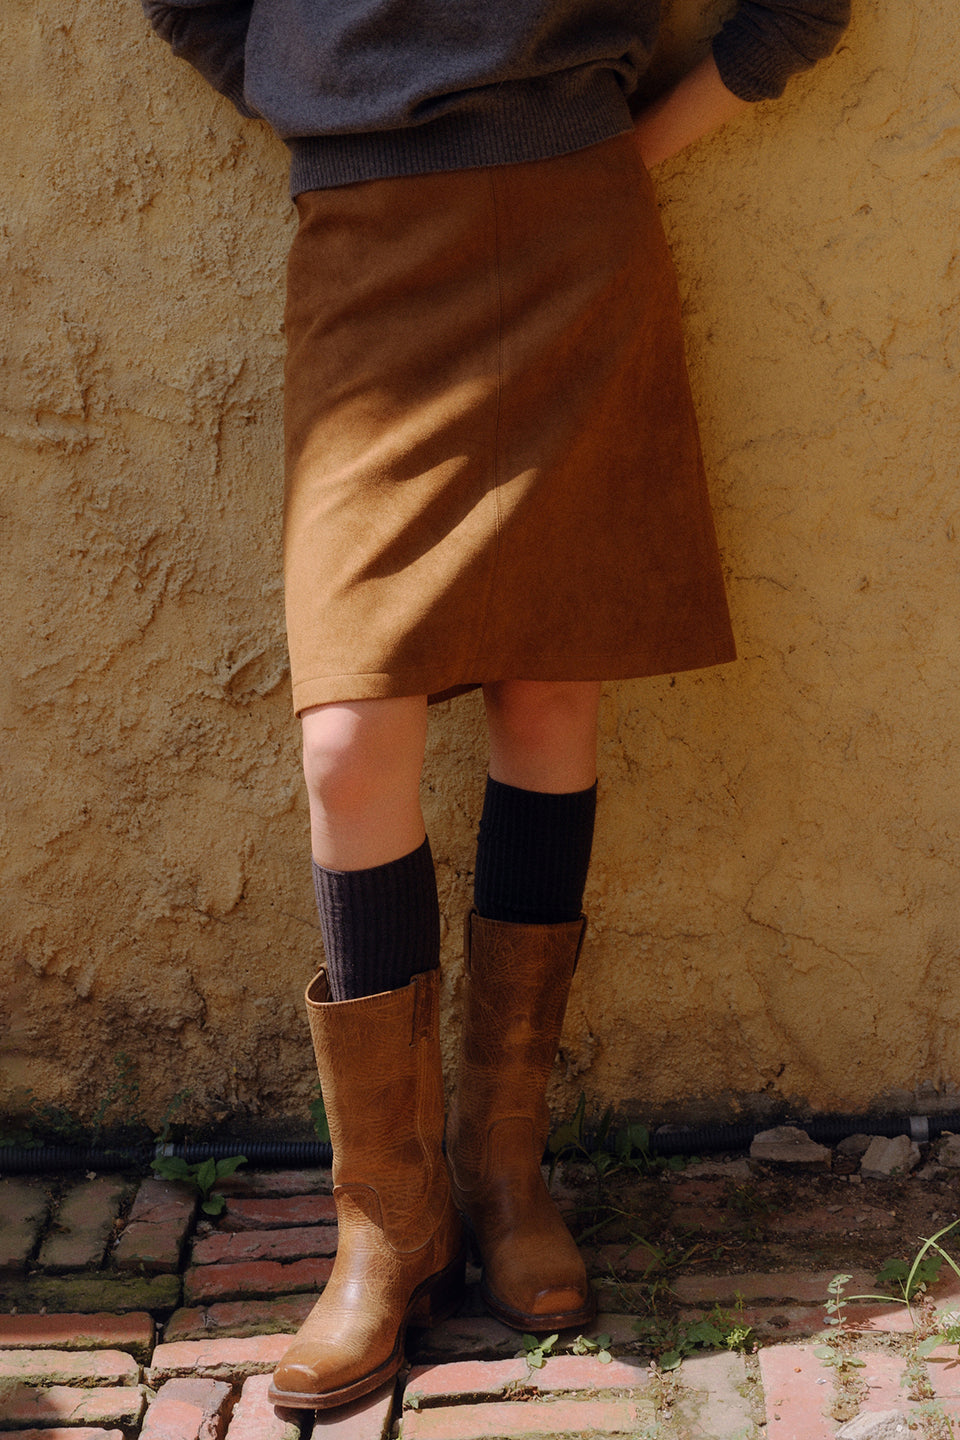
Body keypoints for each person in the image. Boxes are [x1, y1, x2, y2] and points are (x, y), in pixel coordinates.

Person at [141, 0, 851, 1411]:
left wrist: (619, 149)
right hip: (363, 248)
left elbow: (809, 11)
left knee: (549, 686)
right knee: (349, 742)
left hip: (580, 235)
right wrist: (316, 103)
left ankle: (504, 1167)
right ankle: (386, 1220)